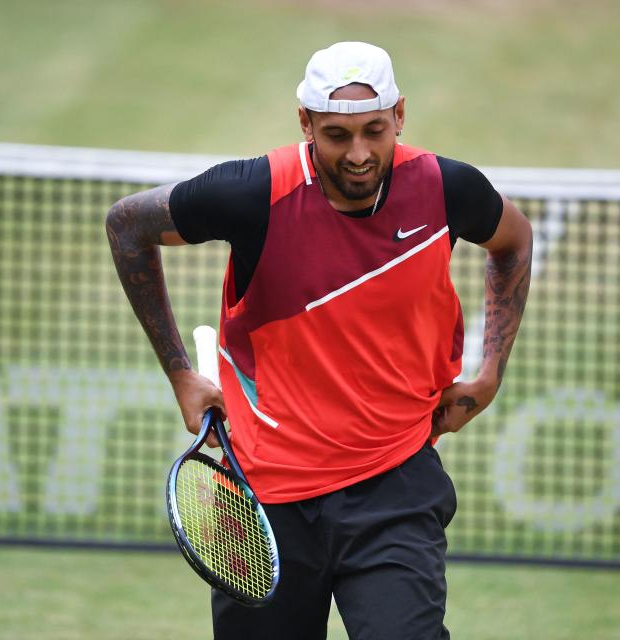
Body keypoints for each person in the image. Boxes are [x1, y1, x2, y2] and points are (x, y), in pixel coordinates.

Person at [106, 41, 532, 640]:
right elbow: (128, 224)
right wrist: (181, 373)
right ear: (305, 123)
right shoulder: (252, 193)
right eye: (337, 135)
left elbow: (512, 240)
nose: (359, 154)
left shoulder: (445, 189)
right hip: (262, 496)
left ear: (400, 117)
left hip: (394, 485)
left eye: (375, 131)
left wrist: (490, 371)